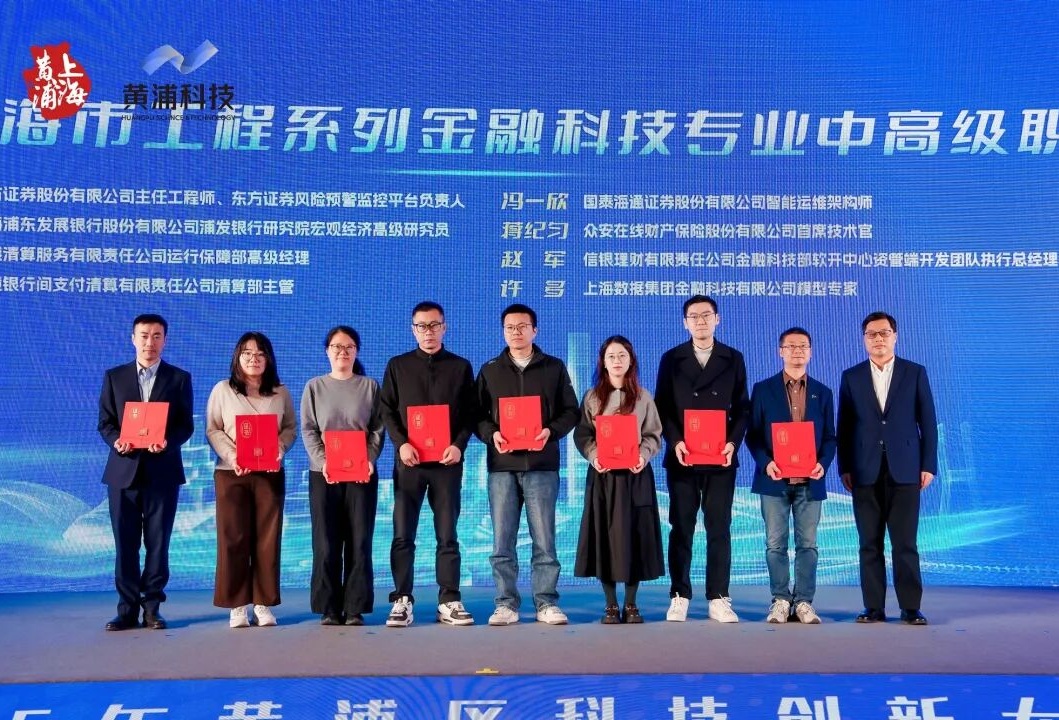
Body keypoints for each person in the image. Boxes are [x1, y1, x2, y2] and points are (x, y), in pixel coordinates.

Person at [476, 303, 580, 626]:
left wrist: (551, 431)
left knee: (544, 540)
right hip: (502, 466)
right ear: (503, 331)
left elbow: (571, 411)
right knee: (501, 541)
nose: (516, 332)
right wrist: (492, 434)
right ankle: (506, 603)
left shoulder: (554, 367)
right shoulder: (490, 370)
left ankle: (546, 602)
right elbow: (475, 415)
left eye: (522, 326)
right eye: (510, 327)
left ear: (535, 330)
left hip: (541, 465)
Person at [378, 301, 477, 627]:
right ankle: (402, 599)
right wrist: (401, 443)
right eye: (422, 326)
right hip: (410, 462)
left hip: (447, 463)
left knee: (447, 534)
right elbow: (387, 409)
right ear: (413, 330)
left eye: (434, 325)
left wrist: (458, 445)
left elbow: (470, 414)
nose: (428, 332)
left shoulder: (460, 367)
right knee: (403, 533)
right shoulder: (398, 366)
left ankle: (449, 599)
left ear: (444, 327)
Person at [654, 295, 750, 623]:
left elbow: (742, 407)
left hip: (720, 457)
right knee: (681, 527)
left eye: (706, 315)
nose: (700, 321)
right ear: (685, 323)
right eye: (693, 316)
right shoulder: (672, 358)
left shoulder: (733, 358)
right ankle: (679, 594)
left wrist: (732, 443)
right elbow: (662, 406)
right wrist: (676, 441)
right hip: (683, 457)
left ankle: (718, 597)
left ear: (717, 319)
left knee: (719, 528)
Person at [838, 312, 937, 626]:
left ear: (895, 336)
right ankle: (873, 607)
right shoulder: (851, 376)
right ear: (864, 339)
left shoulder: (914, 372)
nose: (878, 339)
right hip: (864, 470)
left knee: (905, 543)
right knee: (869, 543)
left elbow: (928, 422)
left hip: (906, 469)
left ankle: (910, 608)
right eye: (871, 334)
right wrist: (844, 467)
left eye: (884, 333)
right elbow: (845, 427)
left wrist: (928, 464)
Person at [98, 313, 194, 631]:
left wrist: (167, 442)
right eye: (144, 335)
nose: (149, 342)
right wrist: (117, 441)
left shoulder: (179, 378)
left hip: (162, 473)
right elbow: (105, 423)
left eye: (156, 336)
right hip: (122, 473)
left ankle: (152, 608)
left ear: (164, 340)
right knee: (125, 545)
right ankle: (126, 610)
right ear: (133, 338)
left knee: (158, 543)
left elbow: (185, 426)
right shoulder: (115, 377)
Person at [205, 332, 297, 629]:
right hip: (231, 473)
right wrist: (232, 455)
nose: (253, 359)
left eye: (260, 354)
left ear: (268, 358)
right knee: (233, 538)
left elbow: (290, 428)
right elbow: (213, 429)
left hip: (269, 473)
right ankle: (237, 605)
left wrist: (280, 447)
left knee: (267, 539)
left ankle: (262, 603)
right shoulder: (223, 390)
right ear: (237, 357)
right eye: (247, 353)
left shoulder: (280, 392)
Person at [746, 327, 836, 625]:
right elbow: (752, 435)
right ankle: (781, 600)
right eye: (791, 346)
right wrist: (765, 462)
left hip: (810, 480)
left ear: (810, 352)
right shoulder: (763, 389)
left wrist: (823, 463)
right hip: (774, 480)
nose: (797, 351)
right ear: (780, 351)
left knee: (808, 544)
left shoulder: (823, 392)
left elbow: (830, 437)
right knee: (776, 544)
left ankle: (805, 602)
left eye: (803, 346)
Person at [573, 336, 664, 624]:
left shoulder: (643, 397)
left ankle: (631, 603)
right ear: (602, 361)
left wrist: (643, 455)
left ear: (631, 360)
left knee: (635, 536)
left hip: (635, 476)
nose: (616, 360)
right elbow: (583, 435)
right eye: (611, 356)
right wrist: (594, 455)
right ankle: (611, 604)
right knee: (604, 536)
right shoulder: (592, 397)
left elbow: (653, 434)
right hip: (603, 477)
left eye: (622, 355)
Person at [300, 326, 384, 626]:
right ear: (327, 351)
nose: (342, 352)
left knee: (359, 541)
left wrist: (369, 459)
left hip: (361, 474)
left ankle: (355, 607)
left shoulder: (370, 386)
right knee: (326, 542)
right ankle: (329, 607)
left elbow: (377, 429)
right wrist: (323, 461)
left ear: (356, 351)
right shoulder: (314, 387)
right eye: (336, 346)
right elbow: (309, 429)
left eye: (349, 347)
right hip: (323, 475)